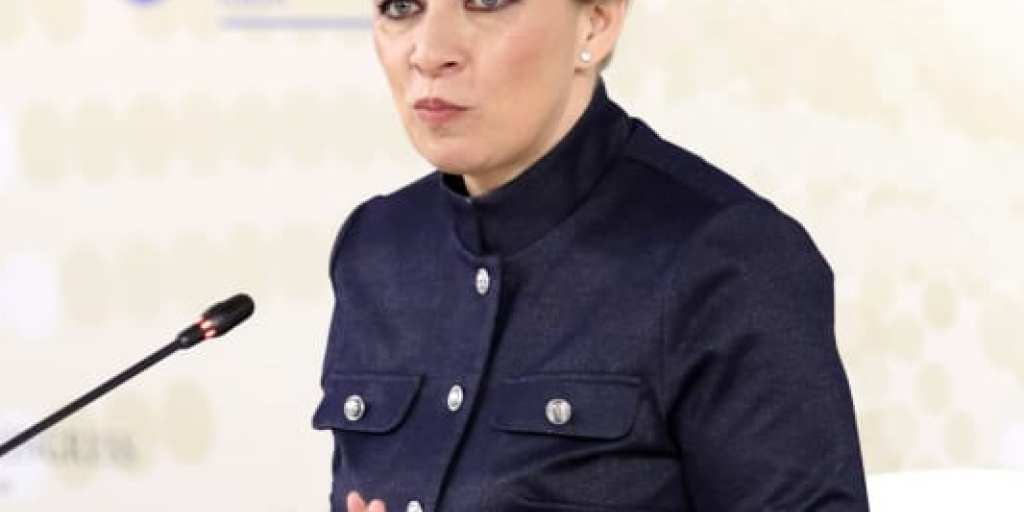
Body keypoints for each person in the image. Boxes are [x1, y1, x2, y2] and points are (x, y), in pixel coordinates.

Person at [312, 0, 870, 510]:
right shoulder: (375, 248)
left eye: (486, 2)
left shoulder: (725, 258)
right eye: (400, 6)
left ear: (597, 21)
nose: (430, 52)